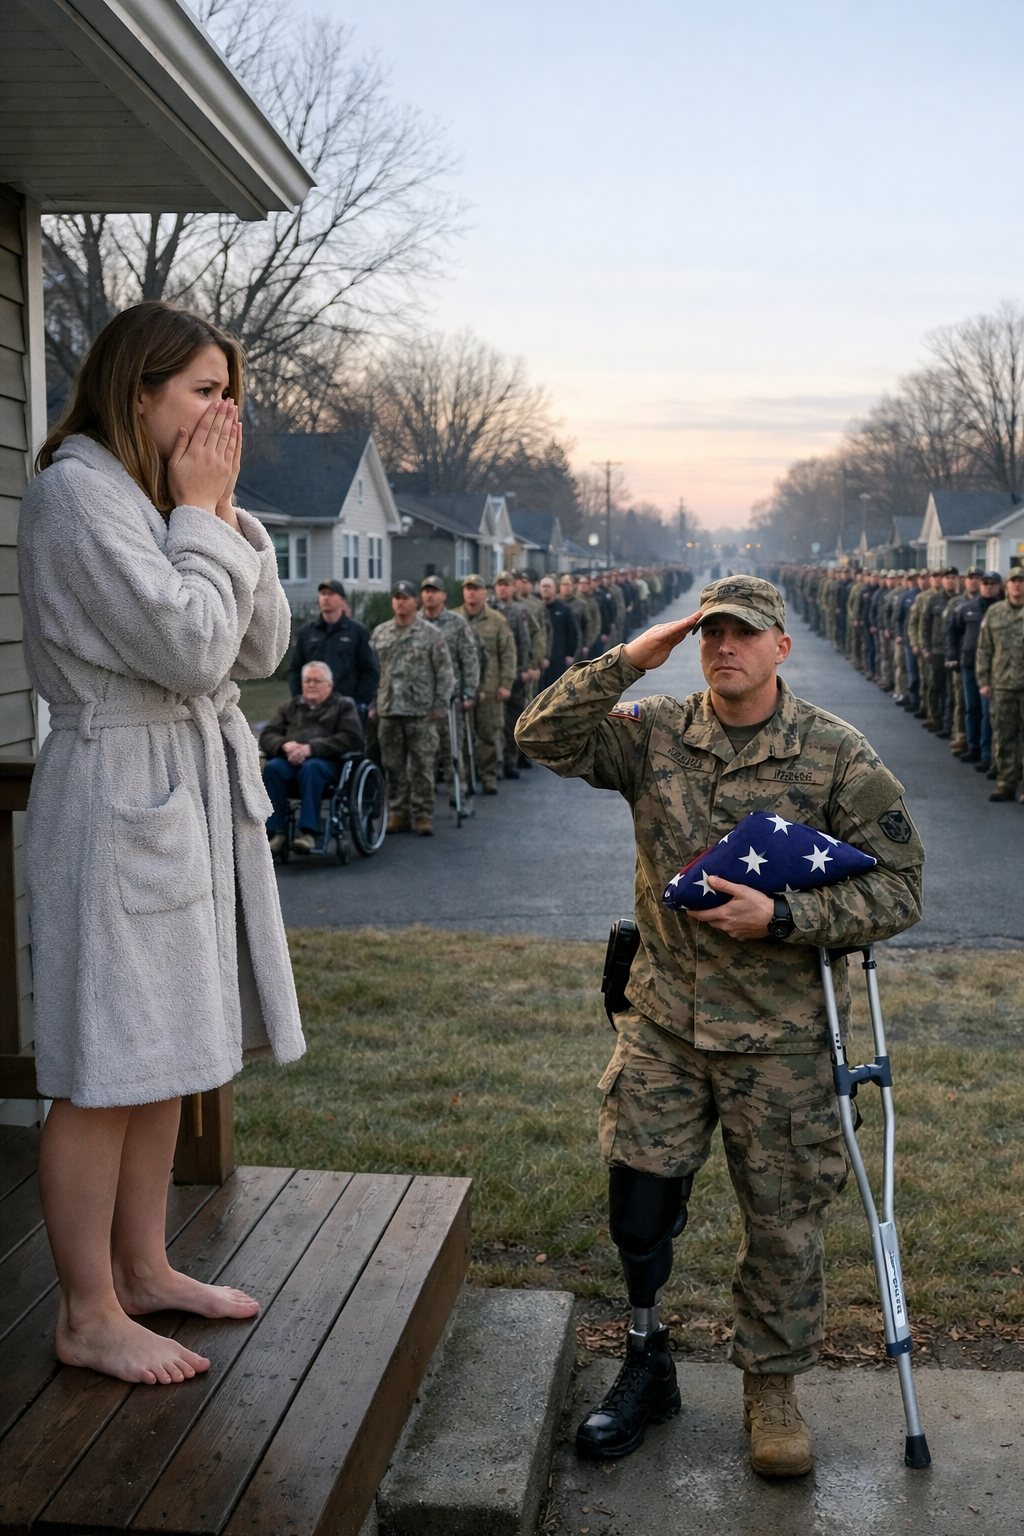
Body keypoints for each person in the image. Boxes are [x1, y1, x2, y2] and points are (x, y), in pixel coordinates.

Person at [516, 575, 923, 1478]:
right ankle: (646, 1356)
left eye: (744, 634)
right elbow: (540, 735)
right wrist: (629, 658)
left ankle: (770, 1388)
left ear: (782, 647)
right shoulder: (656, 731)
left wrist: (782, 918)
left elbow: (901, 886)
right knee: (641, 1202)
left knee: (783, 1222)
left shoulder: (836, 754)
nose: (724, 647)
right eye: (711, 634)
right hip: (663, 1020)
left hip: (782, 1040)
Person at [17, 300, 306, 1386]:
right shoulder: (76, 497)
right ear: (138, 390)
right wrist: (200, 511)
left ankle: (142, 1269)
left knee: (161, 1059)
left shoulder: (160, 498)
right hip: (114, 795)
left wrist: (221, 515)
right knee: (102, 1065)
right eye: (201, 393)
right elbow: (193, 652)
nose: (221, 415)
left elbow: (261, 643)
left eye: (231, 396)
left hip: (178, 786)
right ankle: (88, 1311)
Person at [370, 580, 454, 835]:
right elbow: (372, 672)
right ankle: (398, 812)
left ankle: (423, 813)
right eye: (396, 597)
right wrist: (374, 704)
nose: (400, 601)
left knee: (422, 765)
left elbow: (445, 673)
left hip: (421, 710)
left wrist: (440, 704)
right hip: (389, 709)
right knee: (393, 765)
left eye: (405, 597)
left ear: (414, 601)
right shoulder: (380, 633)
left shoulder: (430, 634)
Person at [260, 661, 364, 854]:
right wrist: (284, 746)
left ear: (329, 685)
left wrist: (311, 749)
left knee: (312, 767)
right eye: (307, 680)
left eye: (317, 680)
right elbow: (267, 735)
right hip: (290, 763)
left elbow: (352, 738)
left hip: (327, 765)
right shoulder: (290, 707)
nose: (311, 684)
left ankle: (307, 833)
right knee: (273, 767)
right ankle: (278, 833)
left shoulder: (343, 706)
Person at [419, 574, 480, 805]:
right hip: (422, 699)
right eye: (425, 590)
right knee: (422, 755)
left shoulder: (457, 623)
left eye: (434, 590)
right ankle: (424, 798)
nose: (429, 594)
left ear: (443, 595)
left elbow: (469, 660)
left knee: (452, 750)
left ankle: (458, 794)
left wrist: (469, 692)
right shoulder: (414, 622)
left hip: (450, 699)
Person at [456, 574, 516, 794]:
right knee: (461, 736)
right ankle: (465, 779)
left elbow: (508, 654)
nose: (471, 592)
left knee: (489, 733)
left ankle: (489, 775)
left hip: (490, 687)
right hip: (462, 687)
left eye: (476, 588)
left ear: (484, 593)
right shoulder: (454, 619)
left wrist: (505, 683)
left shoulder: (497, 620)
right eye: (467, 588)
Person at [287, 579, 379, 714]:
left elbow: (370, 671)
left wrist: (359, 702)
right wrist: (299, 698)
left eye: (331, 594)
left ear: (343, 601)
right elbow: (295, 669)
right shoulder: (307, 632)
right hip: (313, 708)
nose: (326, 598)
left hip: (346, 707)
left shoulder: (357, 632)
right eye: (323, 594)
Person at [976, 566, 1024, 802]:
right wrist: (983, 680)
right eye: (1013, 581)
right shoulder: (995, 612)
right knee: (1004, 736)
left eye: (1021, 581)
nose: (1017, 585)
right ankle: (1007, 783)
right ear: (1007, 585)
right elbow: (984, 649)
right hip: (1002, 685)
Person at [492, 571, 536, 779]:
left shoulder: (519, 611)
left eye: (506, 585)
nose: (502, 588)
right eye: (499, 585)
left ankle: (511, 760)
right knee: (493, 724)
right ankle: (494, 762)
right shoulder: (489, 610)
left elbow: (524, 642)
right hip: (493, 674)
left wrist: (524, 668)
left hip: (515, 673)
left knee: (512, 720)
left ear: (512, 588)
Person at [537, 574, 579, 690]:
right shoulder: (535, 610)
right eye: (543, 586)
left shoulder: (563, 609)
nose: (545, 589)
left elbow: (572, 632)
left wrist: (570, 654)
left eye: (548, 586)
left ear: (555, 589)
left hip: (558, 657)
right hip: (539, 658)